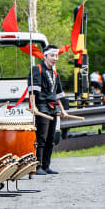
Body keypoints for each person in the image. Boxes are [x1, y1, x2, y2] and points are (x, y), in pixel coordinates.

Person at [28, 45, 68, 175]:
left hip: (52, 107)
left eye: (56, 56)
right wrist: (33, 106)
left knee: (51, 138)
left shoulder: (54, 73)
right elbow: (33, 91)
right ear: (45, 56)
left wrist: (62, 110)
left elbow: (58, 94)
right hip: (42, 106)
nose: (55, 58)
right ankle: (38, 166)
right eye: (52, 55)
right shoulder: (37, 69)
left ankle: (46, 165)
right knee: (41, 138)